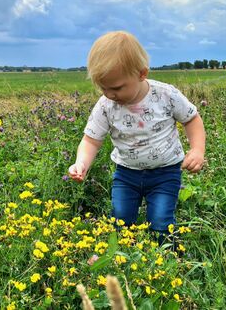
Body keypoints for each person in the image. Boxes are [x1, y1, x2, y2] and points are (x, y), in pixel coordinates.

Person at [68, 31, 206, 243]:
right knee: (121, 220)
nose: (109, 94)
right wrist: (81, 163)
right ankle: (126, 260)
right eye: (102, 87)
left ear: (141, 74)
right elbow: (91, 140)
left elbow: (192, 119)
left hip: (165, 172)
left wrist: (197, 150)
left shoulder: (166, 95)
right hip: (126, 174)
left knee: (160, 222)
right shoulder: (106, 106)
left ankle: (167, 261)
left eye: (116, 88)